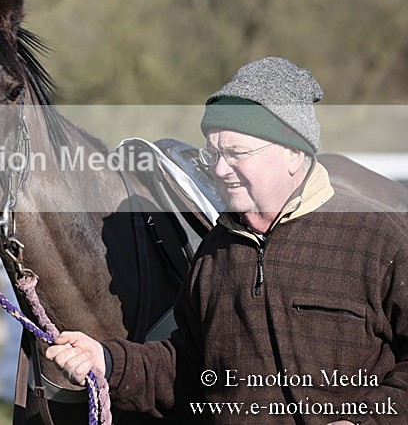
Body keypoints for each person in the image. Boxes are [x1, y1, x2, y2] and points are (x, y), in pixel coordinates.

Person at [46, 57, 408, 424]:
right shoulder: (215, 253)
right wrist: (107, 362)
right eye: (214, 153)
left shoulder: (378, 238)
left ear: (294, 152)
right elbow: (187, 370)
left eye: (236, 153)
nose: (219, 168)